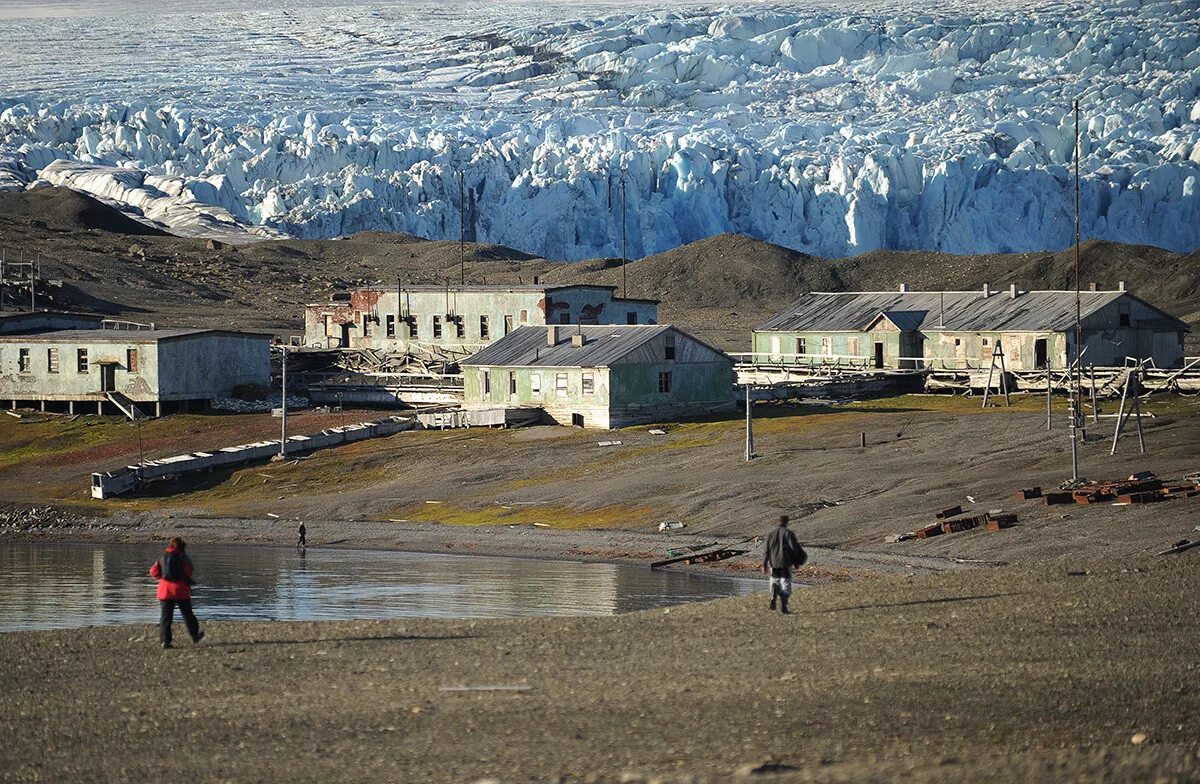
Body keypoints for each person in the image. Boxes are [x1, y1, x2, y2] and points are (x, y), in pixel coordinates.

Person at [149, 537, 204, 649]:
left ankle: (165, 641)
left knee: (166, 617)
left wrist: (162, 579)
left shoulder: (163, 556)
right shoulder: (183, 557)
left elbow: (153, 572)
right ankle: (194, 635)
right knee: (188, 614)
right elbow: (188, 571)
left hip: (165, 590)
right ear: (182, 546)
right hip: (181, 589)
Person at [762, 515, 806, 614]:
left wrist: (764, 565)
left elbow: (766, 551)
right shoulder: (788, 533)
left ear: (778, 522)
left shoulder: (770, 534)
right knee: (786, 585)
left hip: (773, 564)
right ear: (786, 522)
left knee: (776, 581)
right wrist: (796, 562)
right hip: (785, 563)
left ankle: (774, 594)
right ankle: (784, 608)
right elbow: (793, 549)